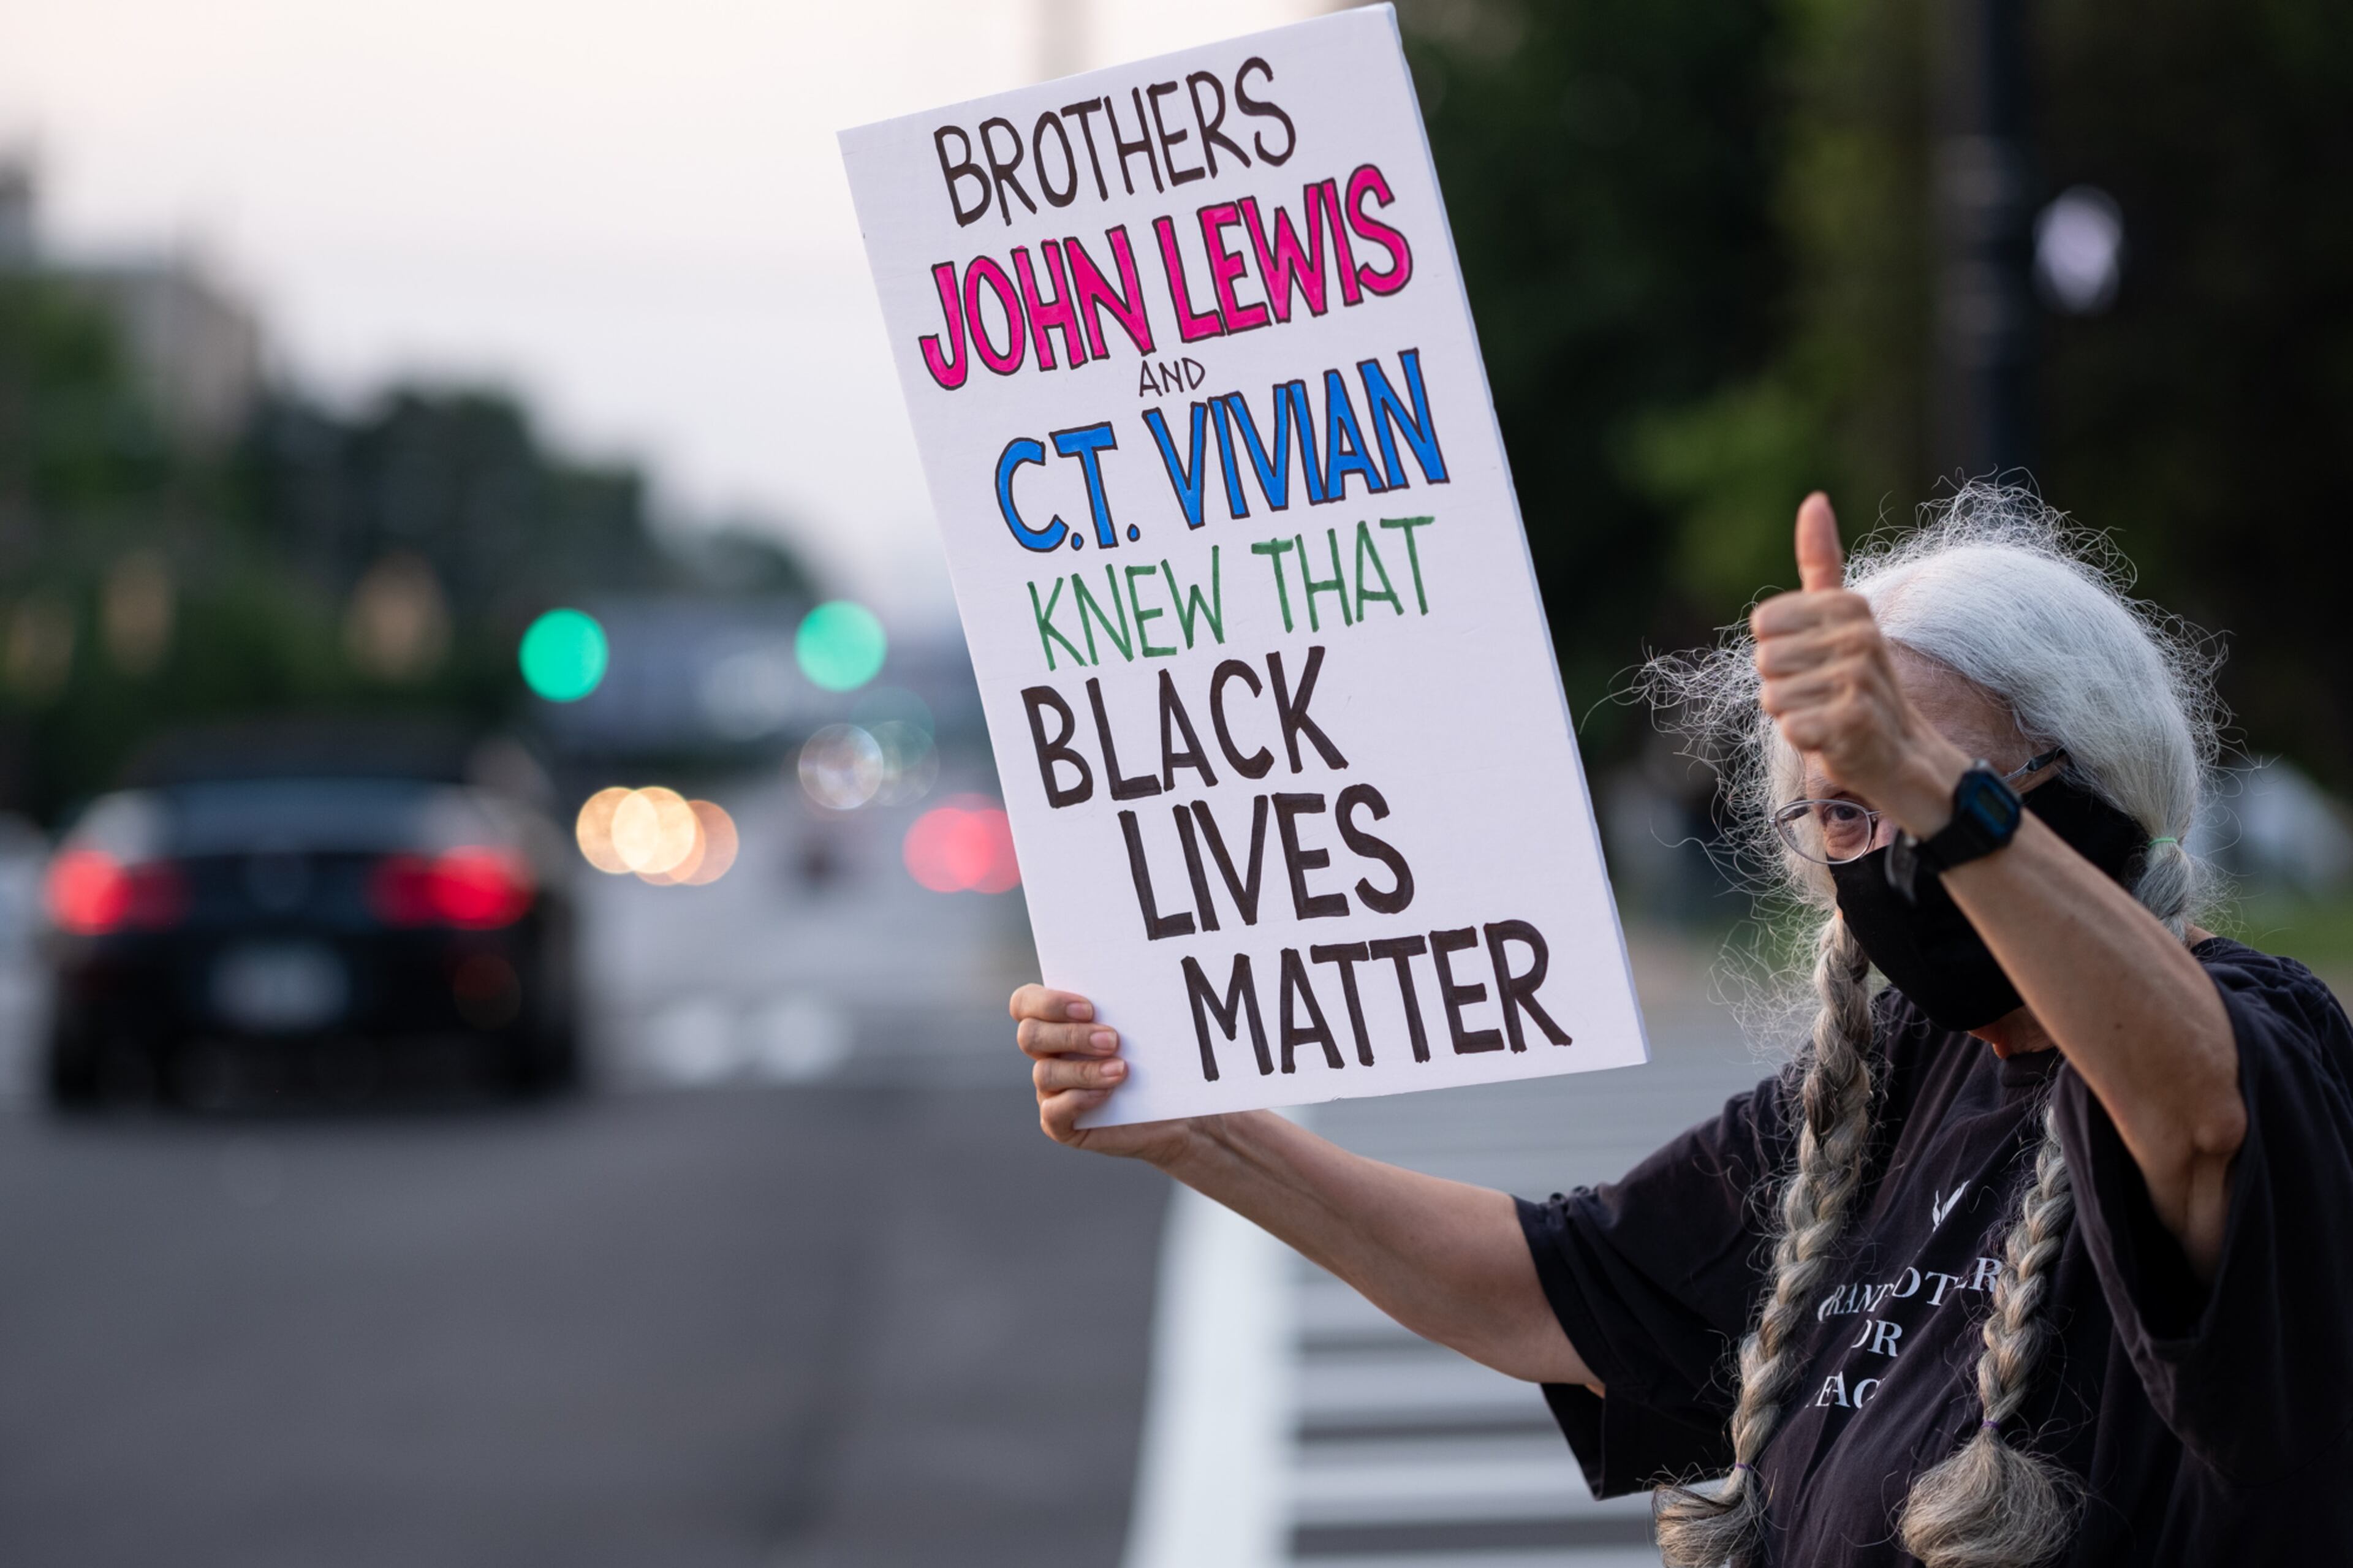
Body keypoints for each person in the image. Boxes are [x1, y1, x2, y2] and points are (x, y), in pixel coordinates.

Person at [1009, 483, 2353, 1566]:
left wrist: (1929, 785)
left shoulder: (2257, 1035)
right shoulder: (1895, 1084)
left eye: (1929, 784)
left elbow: (2195, 1115)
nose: (1888, 847)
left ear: (2094, 786)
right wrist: (1204, 1134)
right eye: (1843, 812)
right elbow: (1556, 1289)